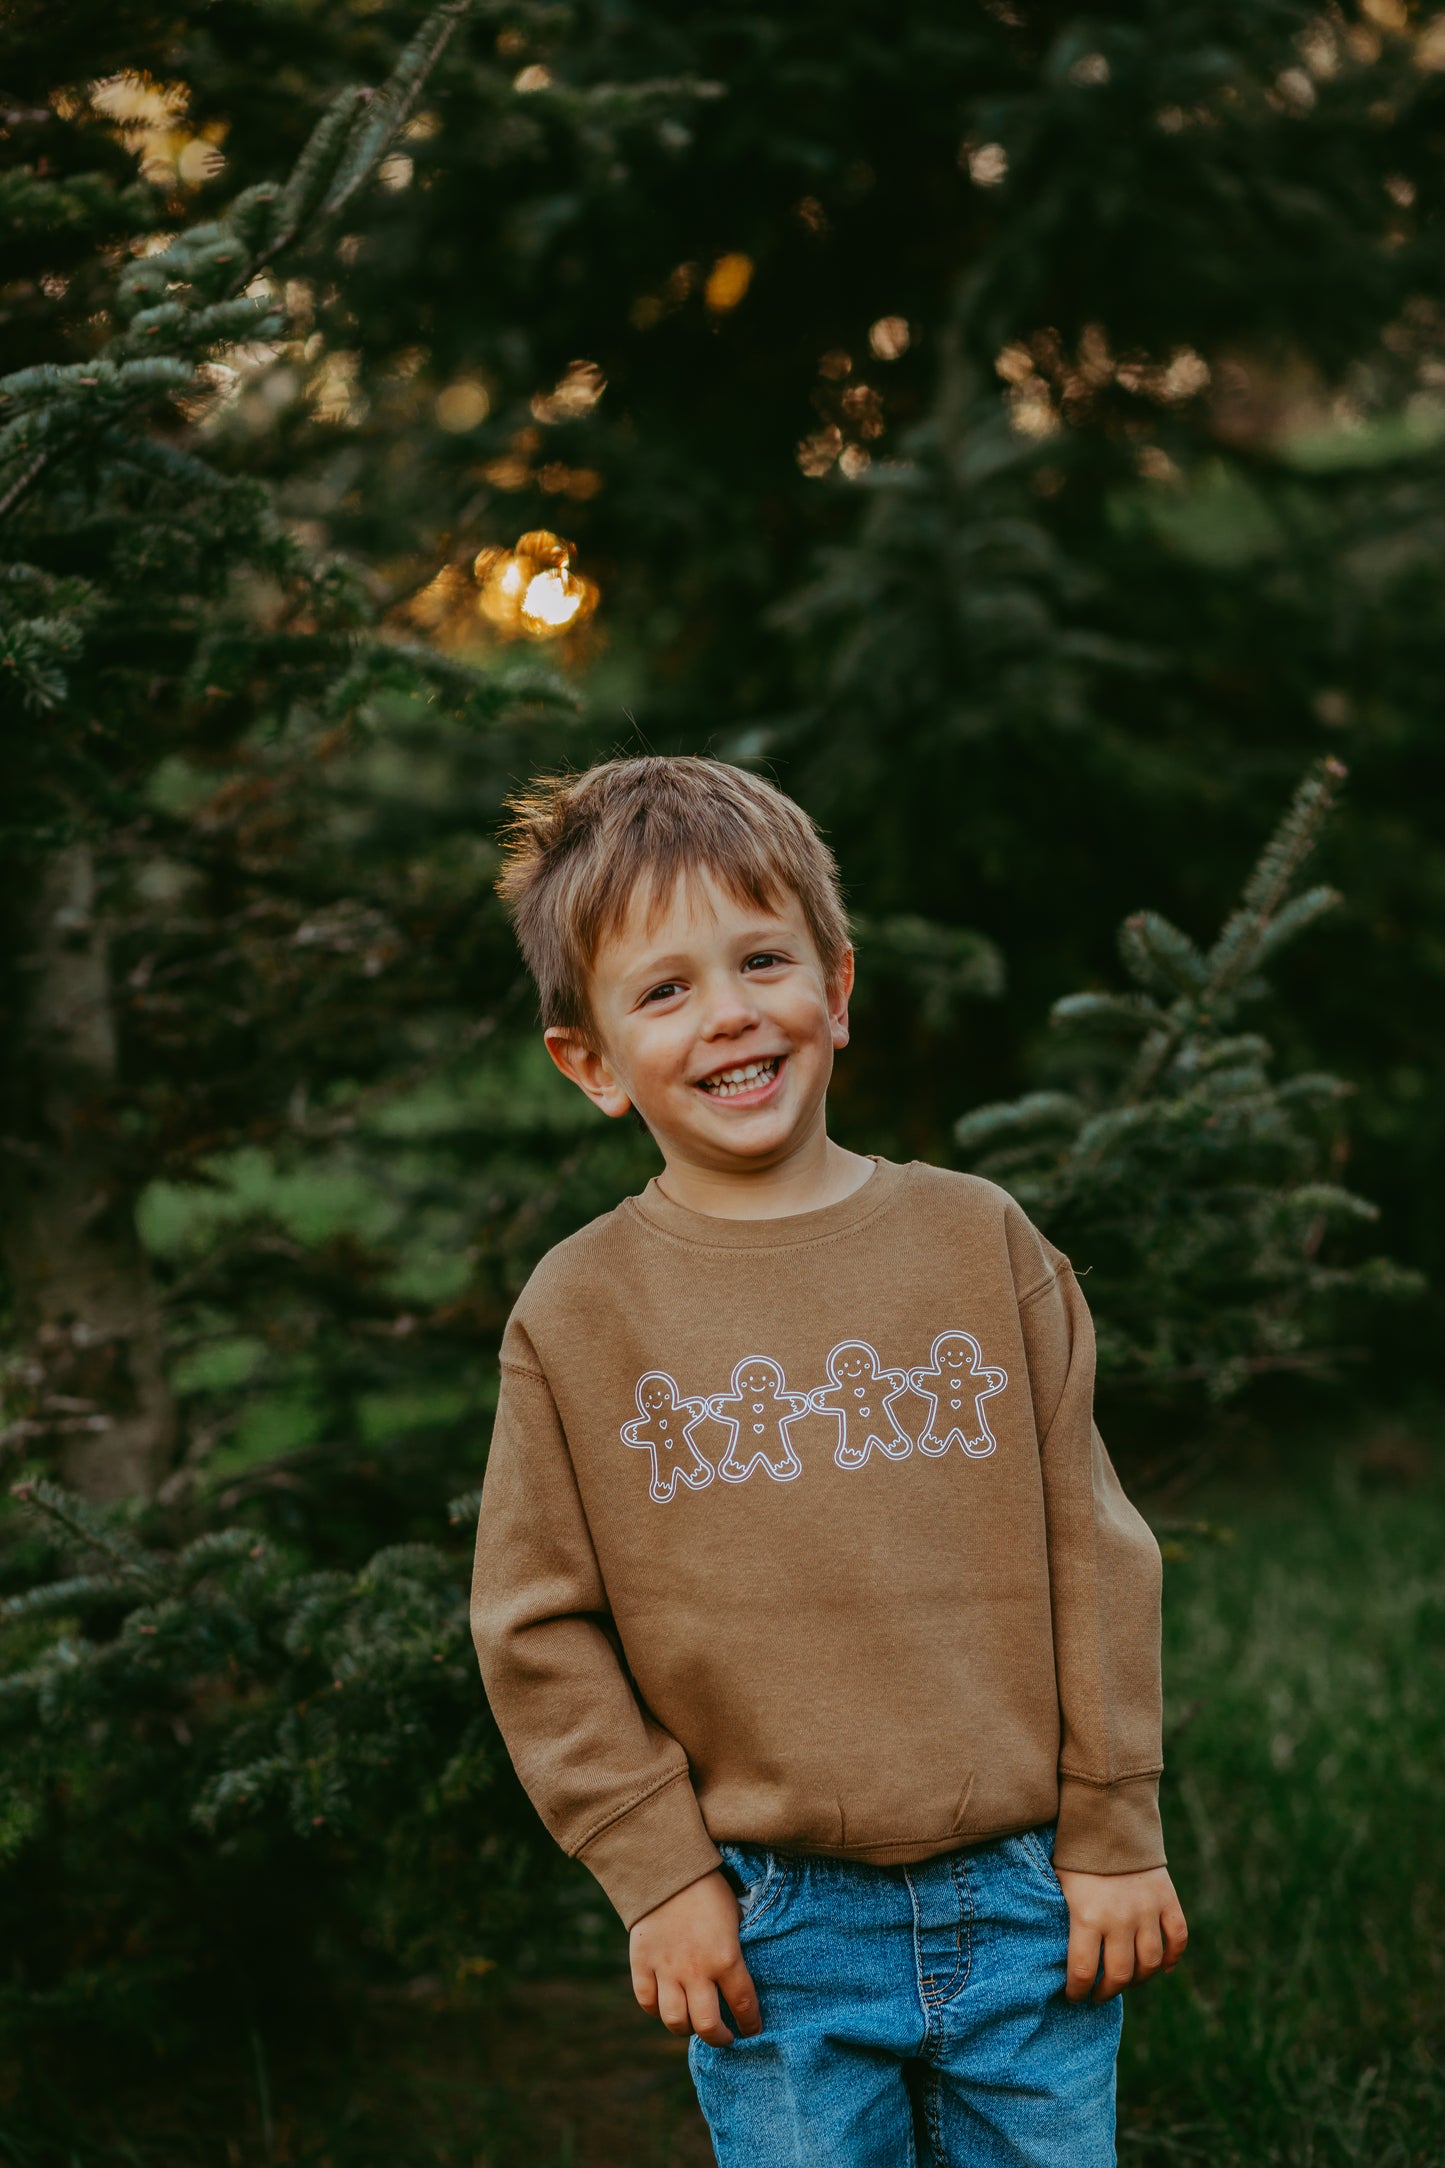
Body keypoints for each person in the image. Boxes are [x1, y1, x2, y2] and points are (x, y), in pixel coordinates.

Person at [469, 754, 1187, 2167]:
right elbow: (534, 1626)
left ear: (836, 989)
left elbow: (1093, 1550)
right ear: (592, 1061)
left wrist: (1114, 1826)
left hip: (1029, 1893)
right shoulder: (578, 1311)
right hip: (768, 1925)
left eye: (761, 961)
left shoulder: (978, 1243)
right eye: (663, 991)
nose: (729, 1015)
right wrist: (657, 1873)